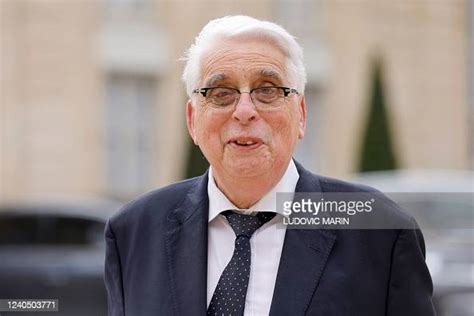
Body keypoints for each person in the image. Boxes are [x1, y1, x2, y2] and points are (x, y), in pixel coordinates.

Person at [104, 15, 436, 316]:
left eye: (267, 90)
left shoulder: (378, 228)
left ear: (301, 114)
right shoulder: (134, 231)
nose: (245, 110)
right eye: (221, 93)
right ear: (192, 120)